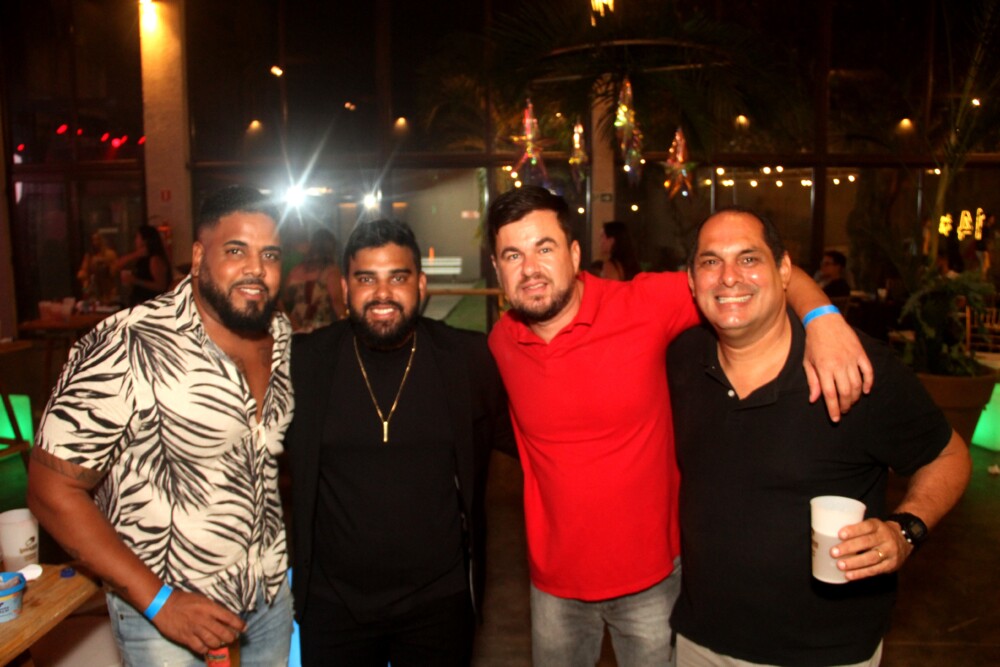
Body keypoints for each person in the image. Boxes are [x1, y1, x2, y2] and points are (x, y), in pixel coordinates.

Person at [485, 185, 873, 666]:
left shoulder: (642, 303)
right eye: (513, 255)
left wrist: (824, 319)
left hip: (651, 582)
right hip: (553, 587)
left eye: (544, 248)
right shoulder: (501, 342)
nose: (530, 268)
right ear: (497, 268)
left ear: (575, 253)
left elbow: (761, 277)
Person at [668, 207, 971, 666]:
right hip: (701, 643)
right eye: (711, 261)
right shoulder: (682, 359)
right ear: (692, 281)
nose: (729, 276)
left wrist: (905, 530)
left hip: (827, 653)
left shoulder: (854, 368)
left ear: (784, 271)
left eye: (749, 258)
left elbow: (948, 456)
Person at [28, 185, 294, 665]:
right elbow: (50, 489)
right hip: (167, 613)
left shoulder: (280, 332)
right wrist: (159, 602)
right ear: (199, 256)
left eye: (270, 254)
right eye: (236, 250)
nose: (256, 268)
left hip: (268, 597)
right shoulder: (128, 344)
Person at [286, 218, 515, 666]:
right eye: (366, 279)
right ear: (345, 288)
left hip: (440, 604)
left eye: (398, 277)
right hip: (334, 606)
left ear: (421, 284)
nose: (382, 293)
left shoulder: (468, 360)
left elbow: (536, 438)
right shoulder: (306, 364)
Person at [282, 227, 347, 331]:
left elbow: (283, 300)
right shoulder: (331, 271)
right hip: (320, 328)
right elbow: (337, 301)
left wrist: (292, 322)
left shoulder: (296, 270)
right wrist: (346, 325)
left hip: (296, 327)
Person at [117, 224, 172, 306]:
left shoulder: (154, 259)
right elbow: (118, 264)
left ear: (144, 240)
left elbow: (161, 286)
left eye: (137, 237)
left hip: (151, 303)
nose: (135, 241)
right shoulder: (141, 258)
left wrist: (135, 280)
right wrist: (136, 254)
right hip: (139, 302)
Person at [77, 231, 119, 304]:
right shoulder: (89, 257)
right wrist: (84, 277)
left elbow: (115, 272)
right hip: (95, 291)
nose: (95, 243)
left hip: (108, 291)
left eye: (97, 239)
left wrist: (105, 263)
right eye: (93, 240)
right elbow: (84, 272)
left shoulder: (110, 254)